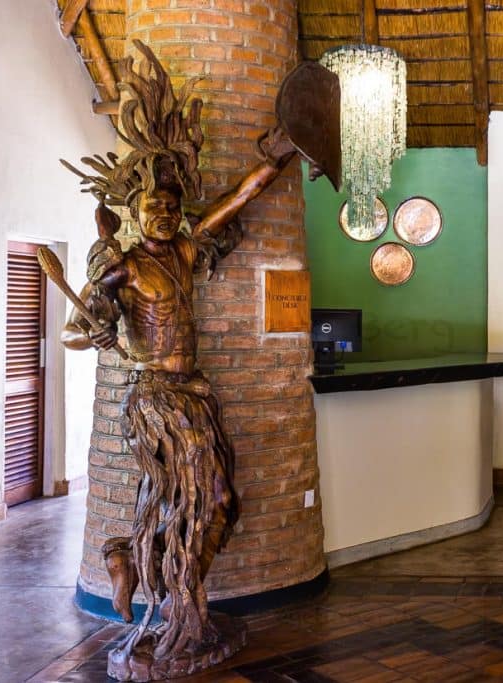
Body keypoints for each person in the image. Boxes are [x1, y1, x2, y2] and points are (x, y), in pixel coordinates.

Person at [57, 41, 330, 678]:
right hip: (158, 401)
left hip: (195, 394)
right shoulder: (121, 265)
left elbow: (240, 198)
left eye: (174, 205)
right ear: (133, 212)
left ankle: (139, 565)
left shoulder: (181, 252)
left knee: (218, 505)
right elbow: (79, 329)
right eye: (154, 205)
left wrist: (282, 150)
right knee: (204, 504)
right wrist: (97, 312)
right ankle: (170, 597)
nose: (166, 211)